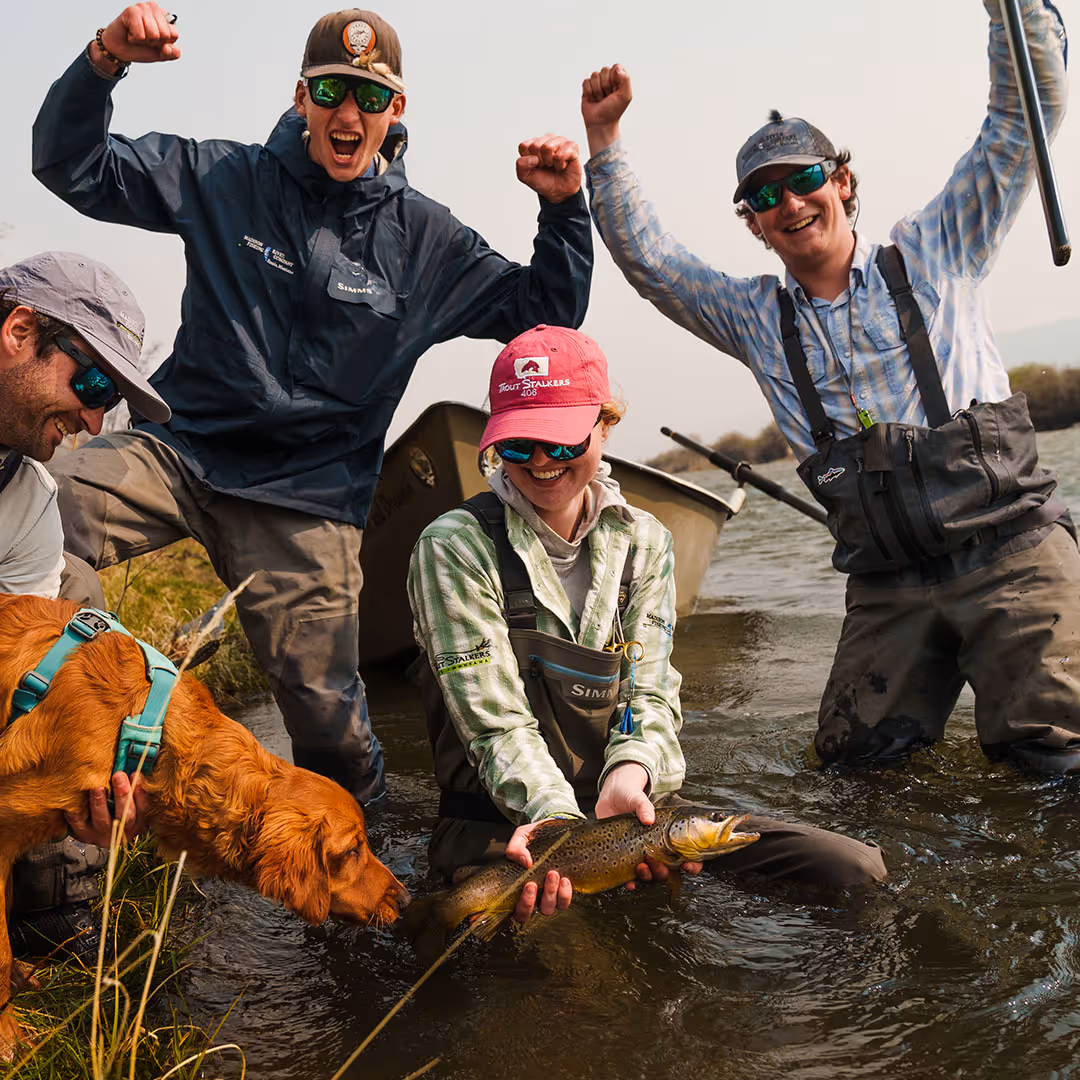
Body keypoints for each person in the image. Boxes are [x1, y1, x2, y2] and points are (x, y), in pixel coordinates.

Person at [31, 5, 594, 806]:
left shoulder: (427, 241)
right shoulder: (224, 178)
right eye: (331, 89)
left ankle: (349, 877)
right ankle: (97, 713)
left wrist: (564, 208)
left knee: (327, 722)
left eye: (370, 96)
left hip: (309, 498)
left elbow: (545, 311)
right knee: (32, 515)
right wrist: (104, 59)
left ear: (395, 111)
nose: (348, 112)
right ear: (301, 97)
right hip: (179, 451)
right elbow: (72, 166)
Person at [582, 1, 1080, 773]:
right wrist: (605, 144)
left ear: (843, 182)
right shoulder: (751, 318)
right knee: (853, 779)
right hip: (888, 587)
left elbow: (1022, 120)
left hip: (1011, 550)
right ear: (753, 223)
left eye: (806, 179)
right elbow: (650, 262)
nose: (790, 202)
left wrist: (1009, 10)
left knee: (1054, 771)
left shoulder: (937, 247)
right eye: (765, 196)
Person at [408, 325, 886, 922]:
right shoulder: (453, 547)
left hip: (629, 815)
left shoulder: (645, 542)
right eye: (519, 443)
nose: (539, 462)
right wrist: (561, 829)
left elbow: (649, 692)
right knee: (568, 978)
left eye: (560, 443)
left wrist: (633, 772)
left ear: (604, 426)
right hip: (507, 830)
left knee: (853, 870)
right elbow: (495, 726)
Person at [0, 251, 157, 959]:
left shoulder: (28, 497)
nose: (95, 422)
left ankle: (50, 907)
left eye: (110, 401)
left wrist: (68, 784)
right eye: (92, 381)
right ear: (20, 330)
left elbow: (18, 686)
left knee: (76, 611)